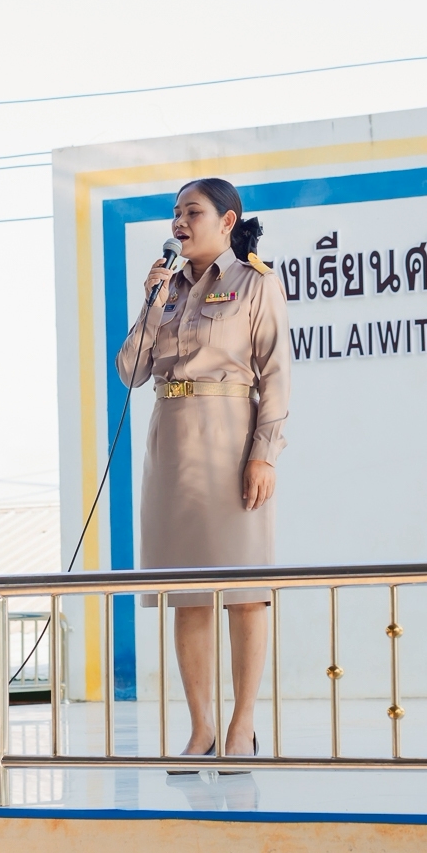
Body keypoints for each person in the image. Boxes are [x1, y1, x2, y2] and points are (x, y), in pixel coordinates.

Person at [116, 177, 290, 761]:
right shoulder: (165, 290)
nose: (179, 223)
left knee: (244, 592)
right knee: (187, 594)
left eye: (192, 212)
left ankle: (242, 727)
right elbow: (131, 372)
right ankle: (201, 729)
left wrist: (264, 453)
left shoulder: (255, 283)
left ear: (227, 220)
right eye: (175, 213)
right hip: (171, 443)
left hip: (231, 439)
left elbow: (276, 375)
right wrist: (151, 302)